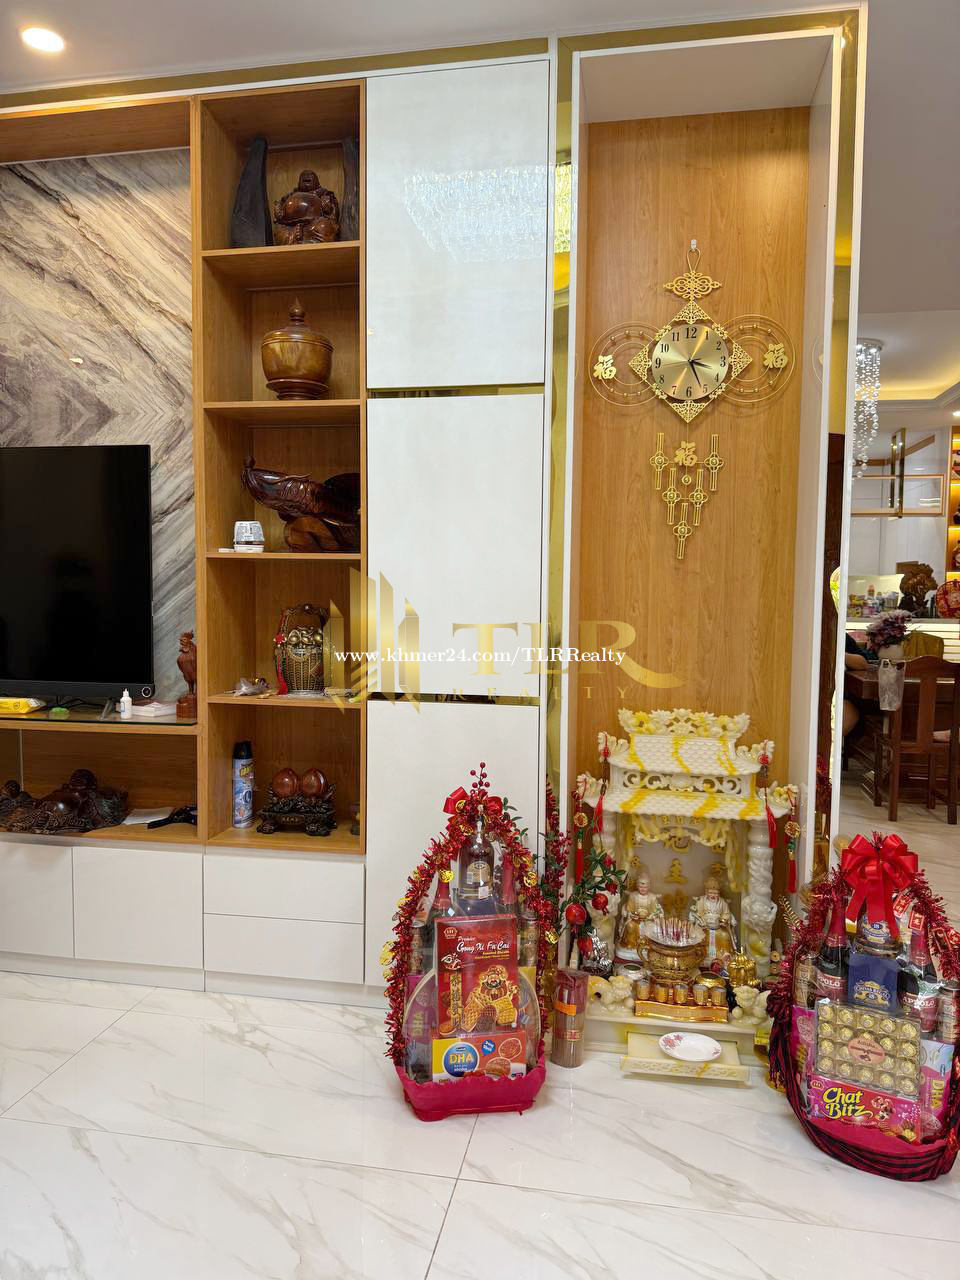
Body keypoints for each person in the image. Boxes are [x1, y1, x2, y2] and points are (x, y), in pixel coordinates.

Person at [843, 632, 872, 737]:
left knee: (849, 715)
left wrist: (838, 652)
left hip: (836, 698)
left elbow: (863, 664)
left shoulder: (839, 635)